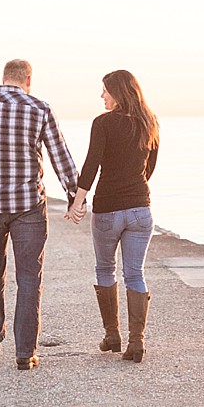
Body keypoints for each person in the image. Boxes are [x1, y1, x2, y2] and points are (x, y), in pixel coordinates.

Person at [0, 59, 84, 371]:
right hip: (28, 205)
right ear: (28, 80)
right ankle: (25, 353)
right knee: (29, 279)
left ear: (3, 78)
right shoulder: (39, 108)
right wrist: (73, 196)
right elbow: (60, 155)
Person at [65, 70, 159, 363]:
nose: (102, 96)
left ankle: (112, 335)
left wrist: (77, 203)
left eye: (105, 90)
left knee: (105, 269)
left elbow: (91, 164)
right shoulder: (149, 122)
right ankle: (137, 342)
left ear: (117, 92)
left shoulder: (102, 123)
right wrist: (134, 189)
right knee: (135, 274)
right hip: (140, 210)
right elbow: (150, 167)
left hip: (107, 210)